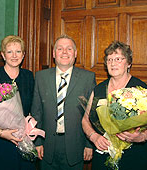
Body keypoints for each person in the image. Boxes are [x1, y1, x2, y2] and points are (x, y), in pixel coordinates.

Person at [82, 41, 147, 170]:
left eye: (118, 59)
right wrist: (94, 136)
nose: (113, 63)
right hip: (102, 154)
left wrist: (141, 137)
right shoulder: (99, 89)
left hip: (133, 158)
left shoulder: (140, 89)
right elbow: (85, 119)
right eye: (109, 59)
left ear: (128, 63)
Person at [31, 34, 96, 170]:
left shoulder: (87, 78)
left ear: (75, 53)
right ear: (54, 54)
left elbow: (92, 114)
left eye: (69, 49)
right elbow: (37, 111)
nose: (65, 52)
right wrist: (37, 142)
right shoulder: (41, 77)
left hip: (76, 146)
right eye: (60, 49)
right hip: (47, 145)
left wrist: (89, 144)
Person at [0, 35, 35, 170]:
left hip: (21, 138)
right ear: (3, 55)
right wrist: (1, 133)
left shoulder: (29, 76)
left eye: (18, 51)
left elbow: (33, 107)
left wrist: (29, 128)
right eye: (9, 52)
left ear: (23, 55)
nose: (14, 56)